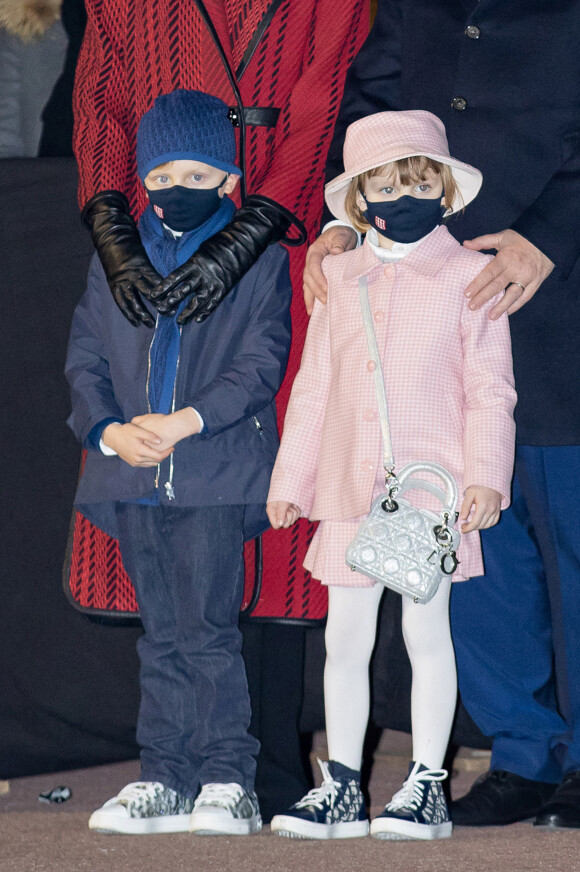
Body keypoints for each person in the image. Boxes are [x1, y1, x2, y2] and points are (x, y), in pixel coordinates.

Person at [69, 0, 370, 821]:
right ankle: (173, 767)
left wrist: (257, 226)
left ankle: (253, 766)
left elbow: (322, 92)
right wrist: (111, 221)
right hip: (148, 237)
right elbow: (99, 98)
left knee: (270, 507)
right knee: (171, 616)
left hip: (283, 235)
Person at [304, 0, 580, 829]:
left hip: (560, 296)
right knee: (476, 557)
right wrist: (348, 222)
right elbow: (370, 105)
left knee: (571, 540)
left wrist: (549, 233)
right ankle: (524, 755)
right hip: (431, 307)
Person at [266, 110, 516, 840]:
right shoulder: (340, 277)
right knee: (344, 638)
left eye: (415, 182)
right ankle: (342, 785)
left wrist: (487, 475)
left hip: (431, 493)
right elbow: (315, 384)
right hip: (350, 488)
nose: (400, 196)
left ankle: (427, 784)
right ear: (359, 197)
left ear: (442, 190)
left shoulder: (470, 274)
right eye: (383, 183)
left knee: (425, 633)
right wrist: (291, 480)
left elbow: (490, 387)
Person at [65, 89, 292, 835]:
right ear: (141, 179)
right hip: (133, 476)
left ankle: (228, 776)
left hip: (213, 475)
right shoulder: (116, 260)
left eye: (199, 174)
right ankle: (164, 773)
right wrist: (107, 432)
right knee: (159, 634)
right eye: (162, 174)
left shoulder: (254, 262)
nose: (177, 189)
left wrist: (188, 421)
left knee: (207, 631)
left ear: (230, 181)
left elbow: (261, 362)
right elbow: (86, 358)